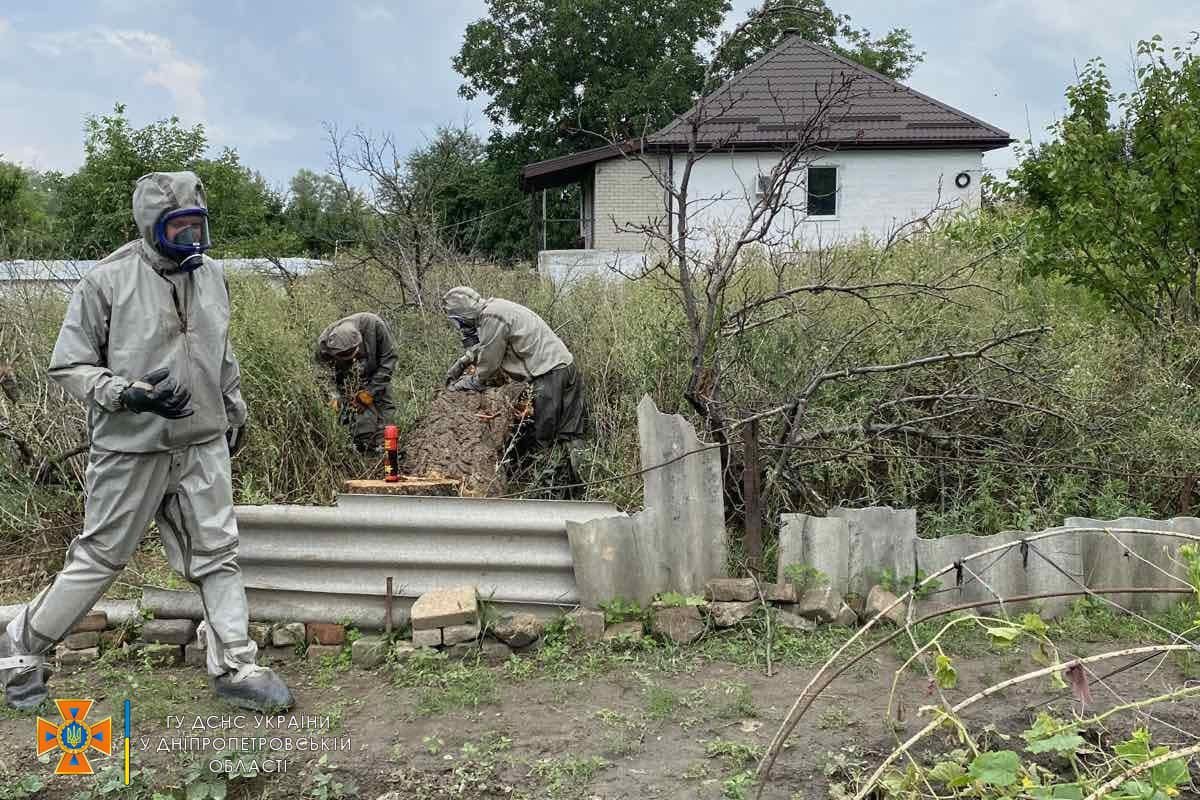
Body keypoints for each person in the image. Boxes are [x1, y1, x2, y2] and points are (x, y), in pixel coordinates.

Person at [0, 171, 292, 713]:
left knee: (218, 553)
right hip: (130, 446)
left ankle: (235, 664)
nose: (192, 240)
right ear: (151, 225)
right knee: (100, 557)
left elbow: (219, 350)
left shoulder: (213, 276)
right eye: (178, 228)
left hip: (202, 441)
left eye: (198, 227)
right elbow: (68, 364)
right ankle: (19, 648)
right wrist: (125, 394)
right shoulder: (106, 281)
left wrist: (233, 407)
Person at [442, 286, 587, 448]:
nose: (460, 326)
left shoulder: (491, 318)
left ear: (463, 314)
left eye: (457, 320)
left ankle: (545, 471)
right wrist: (464, 361)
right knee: (570, 434)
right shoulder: (495, 307)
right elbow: (486, 347)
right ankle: (576, 469)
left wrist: (468, 383)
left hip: (549, 375)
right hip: (565, 366)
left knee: (542, 438)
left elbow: (489, 364)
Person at [314, 312, 397, 452]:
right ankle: (361, 448)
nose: (351, 359)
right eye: (343, 357)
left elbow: (389, 359)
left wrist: (370, 392)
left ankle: (388, 452)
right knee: (354, 417)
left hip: (377, 375)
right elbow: (322, 376)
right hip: (346, 381)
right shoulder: (323, 345)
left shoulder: (374, 325)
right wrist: (332, 397)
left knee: (385, 415)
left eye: (352, 355)